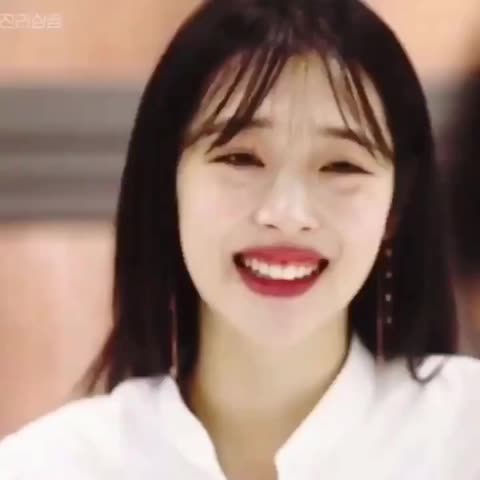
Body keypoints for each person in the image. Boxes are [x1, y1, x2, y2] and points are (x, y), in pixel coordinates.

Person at [2, 0, 480, 478]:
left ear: (397, 204)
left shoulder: (463, 436)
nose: (287, 214)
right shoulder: (47, 466)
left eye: (341, 165)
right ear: (167, 183)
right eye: (241, 159)